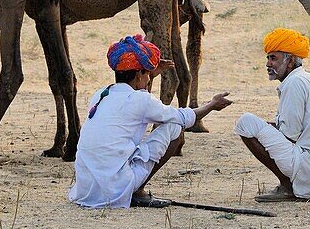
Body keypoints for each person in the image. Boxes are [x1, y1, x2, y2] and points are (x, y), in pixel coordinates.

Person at [69, 33, 231, 209]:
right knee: (175, 127)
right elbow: (183, 117)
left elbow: (141, 100)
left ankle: (135, 187)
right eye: (147, 74)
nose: (148, 78)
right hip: (115, 189)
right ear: (139, 75)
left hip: (86, 191)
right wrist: (212, 105)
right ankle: (137, 191)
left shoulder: (101, 94)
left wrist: (150, 75)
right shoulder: (139, 101)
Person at [235, 28, 310, 203]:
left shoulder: (294, 83)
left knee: (245, 123)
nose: (268, 64)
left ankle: (287, 186)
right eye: (268, 58)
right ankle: (299, 186)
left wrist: (262, 131)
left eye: (273, 58)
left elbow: (289, 134)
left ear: (290, 61)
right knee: (258, 127)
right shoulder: (307, 78)